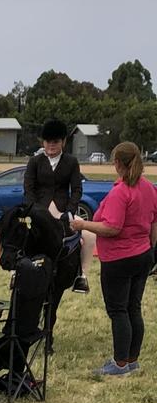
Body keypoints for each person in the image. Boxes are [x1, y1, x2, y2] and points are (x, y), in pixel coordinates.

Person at [69, 142, 157, 376]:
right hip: (143, 254)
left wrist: (82, 224)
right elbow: (154, 223)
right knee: (133, 308)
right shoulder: (148, 188)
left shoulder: (121, 192)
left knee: (118, 310)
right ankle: (132, 359)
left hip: (119, 259)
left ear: (118, 163)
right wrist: (151, 249)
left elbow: (112, 228)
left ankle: (119, 364)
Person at [24, 119, 93, 293]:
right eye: (48, 142)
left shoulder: (71, 162)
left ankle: (82, 277)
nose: (52, 145)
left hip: (63, 211)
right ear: (43, 142)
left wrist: (69, 211)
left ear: (63, 142)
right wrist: (34, 209)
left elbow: (76, 189)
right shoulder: (35, 162)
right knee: (21, 233)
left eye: (55, 142)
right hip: (39, 210)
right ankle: (17, 273)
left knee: (90, 235)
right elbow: (28, 188)